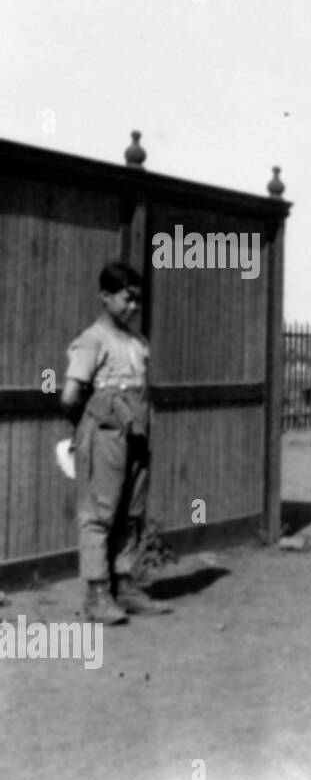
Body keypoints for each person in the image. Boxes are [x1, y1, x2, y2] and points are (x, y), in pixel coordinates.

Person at [60, 263, 172, 624]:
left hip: (137, 431)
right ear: (105, 296)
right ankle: (97, 594)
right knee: (99, 513)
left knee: (132, 512)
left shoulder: (139, 343)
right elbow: (70, 395)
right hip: (105, 433)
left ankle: (124, 585)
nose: (134, 307)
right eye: (127, 299)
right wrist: (93, 424)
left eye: (138, 300)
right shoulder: (92, 340)